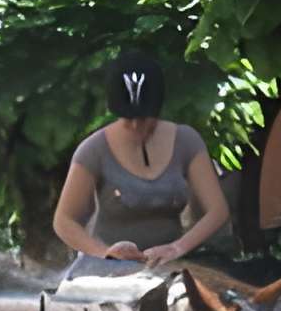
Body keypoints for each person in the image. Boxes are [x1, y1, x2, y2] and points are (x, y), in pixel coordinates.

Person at [51, 49, 234, 269]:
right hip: (108, 269)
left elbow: (217, 211)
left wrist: (177, 248)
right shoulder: (93, 149)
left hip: (172, 264)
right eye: (129, 118)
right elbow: (64, 220)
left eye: (145, 118)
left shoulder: (187, 141)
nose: (137, 125)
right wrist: (105, 253)